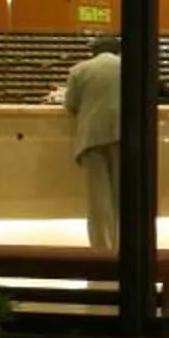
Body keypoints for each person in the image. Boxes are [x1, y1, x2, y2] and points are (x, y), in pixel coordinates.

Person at [59, 48, 121, 251]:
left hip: (91, 137)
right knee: (123, 196)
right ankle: (124, 246)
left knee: (98, 199)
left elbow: (71, 104)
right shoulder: (130, 68)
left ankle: (101, 249)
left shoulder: (80, 70)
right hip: (124, 136)